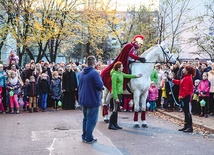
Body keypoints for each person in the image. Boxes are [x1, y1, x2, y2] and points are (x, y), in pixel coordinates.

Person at [108, 61, 142, 130]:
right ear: (118, 68)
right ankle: (111, 124)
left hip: (120, 93)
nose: (123, 67)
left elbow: (128, 76)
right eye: (121, 67)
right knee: (115, 109)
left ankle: (115, 124)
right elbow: (113, 87)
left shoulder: (120, 73)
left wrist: (136, 76)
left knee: (117, 109)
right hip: (116, 93)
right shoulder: (114, 75)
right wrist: (115, 97)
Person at [78, 55, 104, 144]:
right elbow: (100, 85)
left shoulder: (81, 73)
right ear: (94, 62)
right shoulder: (95, 73)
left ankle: (84, 136)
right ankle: (89, 138)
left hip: (83, 99)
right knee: (91, 120)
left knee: (85, 119)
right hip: (92, 99)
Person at [171, 66, 195, 133]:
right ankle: (186, 126)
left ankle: (189, 127)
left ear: (187, 71)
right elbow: (180, 82)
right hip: (184, 97)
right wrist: (172, 80)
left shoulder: (187, 78)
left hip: (185, 97)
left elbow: (186, 90)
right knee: (185, 112)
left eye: (185, 69)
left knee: (187, 112)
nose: (183, 69)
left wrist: (182, 96)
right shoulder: (186, 77)